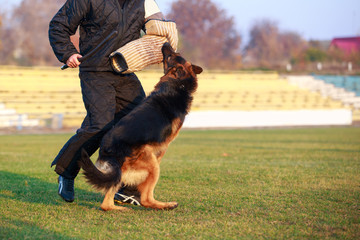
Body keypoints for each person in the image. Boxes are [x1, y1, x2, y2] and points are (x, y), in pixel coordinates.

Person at [48, 0, 166, 205]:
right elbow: (58, 25)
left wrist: (164, 38)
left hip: (124, 70)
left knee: (140, 126)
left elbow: (159, 29)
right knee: (99, 125)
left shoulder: (143, 2)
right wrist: (67, 53)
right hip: (94, 70)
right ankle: (66, 173)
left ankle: (127, 188)